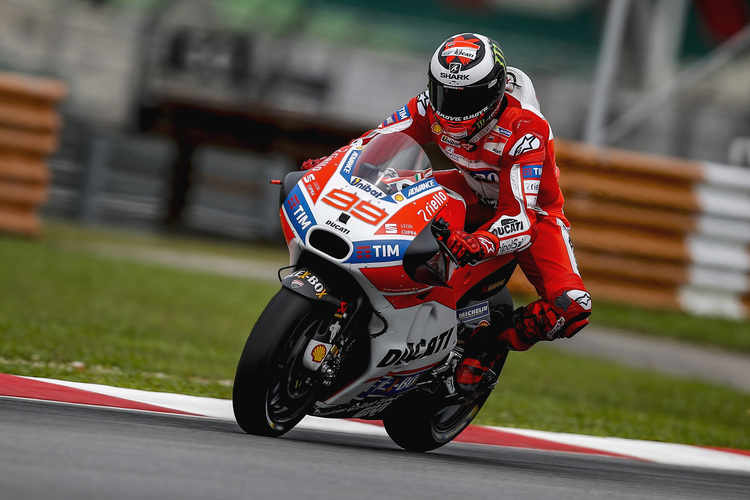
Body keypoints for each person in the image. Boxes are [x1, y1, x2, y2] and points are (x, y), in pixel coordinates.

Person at [302, 33, 591, 393]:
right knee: (382, 185)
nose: (451, 107)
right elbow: (371, 142)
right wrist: (329, 168)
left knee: (573, 307)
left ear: (494, 91)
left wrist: (480, 242)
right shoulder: (428, 107)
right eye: (444, 93)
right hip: (465, 187)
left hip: (532, 215)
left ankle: (491, 344)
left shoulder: (525, 130)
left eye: (466, 97)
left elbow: (520, 219)